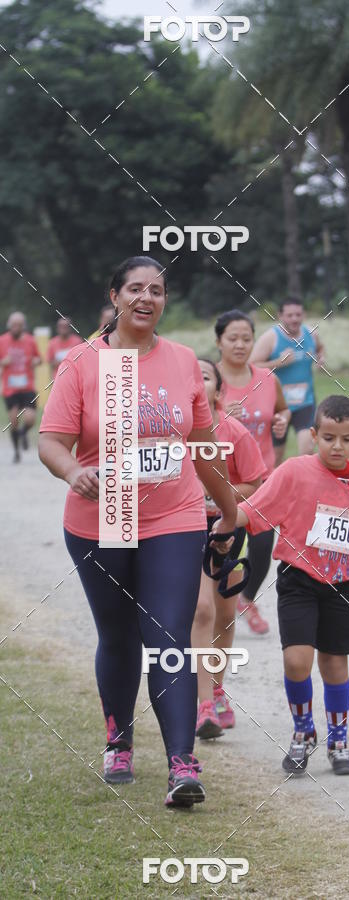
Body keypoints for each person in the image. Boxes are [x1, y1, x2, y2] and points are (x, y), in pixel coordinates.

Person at [38, 256, 237, 808]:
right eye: (135, 289)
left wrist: (229, 511)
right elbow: (51, 441)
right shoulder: (83, 362)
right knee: (120, 635)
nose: (146, 298)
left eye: (157, 290)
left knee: (168, 636)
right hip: (104, 516)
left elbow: (203, 447)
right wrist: (73, 472)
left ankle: (182, 764)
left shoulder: (181, 361)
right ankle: (119, 741)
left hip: (174, 516)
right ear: (115, 296)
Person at [232, 395, 349, 775]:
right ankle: (303, 731)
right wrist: (225, 519)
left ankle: (338, 741)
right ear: (313, 435)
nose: (336, 446)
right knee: (297, 660)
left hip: (342, 584)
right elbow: (257, 508)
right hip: (298, 580)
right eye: (328, 438)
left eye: (345, 439)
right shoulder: (294, 471)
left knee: (334, 664)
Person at [191, 358, 267, 739]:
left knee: (223, 614)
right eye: (189, 377)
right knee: (201, 610)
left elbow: (256, 482)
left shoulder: (234, 432)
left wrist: (222, 494)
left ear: (219, 391)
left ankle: (218, 691)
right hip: (187, 529)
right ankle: (204, 704)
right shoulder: (173, 433)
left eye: (204, 377)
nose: (195, 382)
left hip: (229, 529)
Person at [215, 309, 291, 635]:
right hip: (219, 481)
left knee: (262, 549)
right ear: (219, 342)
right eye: (232, 338)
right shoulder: (208, 379)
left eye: (246, 338)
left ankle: (245, 599)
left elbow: (283, 410)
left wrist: (282, 421)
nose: (240, 345)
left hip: (261, 480)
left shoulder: (268, 379)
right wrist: (219, 414)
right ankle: (217, 607)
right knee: (224, 547)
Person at [250, 298, 325, 467]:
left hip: (305, 402)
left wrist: (321, 358)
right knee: (275, 457)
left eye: (298, 314)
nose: (294, 319)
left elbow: (320, 348)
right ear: (280, 316)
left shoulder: (311, 334)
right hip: (277, 405)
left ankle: (301, 482)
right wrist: (278, 362)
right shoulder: (270, 338)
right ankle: (275, 482)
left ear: (304, 315)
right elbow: (251, 366)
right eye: (290, 315)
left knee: (307, 450)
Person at [0, 311, 41, 462]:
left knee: (30, 419)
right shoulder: (2, 341)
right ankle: (16, 451)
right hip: (10, 388)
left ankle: (23, 433)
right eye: (13, 325)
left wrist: (36, 361)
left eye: (19, 325)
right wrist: (3, 362)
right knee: (14, 421)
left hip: (27, 386)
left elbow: (39, 358)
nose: (16, 328)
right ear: (9, 325)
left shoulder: (30, 340)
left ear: (23, 326)